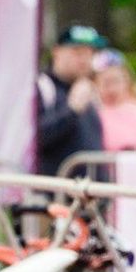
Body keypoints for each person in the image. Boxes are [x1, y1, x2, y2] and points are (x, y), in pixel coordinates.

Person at [35, 25, 107, 176]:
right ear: (56, 52)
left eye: (89, 53)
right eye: (77, 51)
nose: (84, 59)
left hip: (92, 192)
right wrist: (72, 110)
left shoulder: (89, 90)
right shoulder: (42, 87)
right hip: (55, 193)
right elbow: (34, 139)